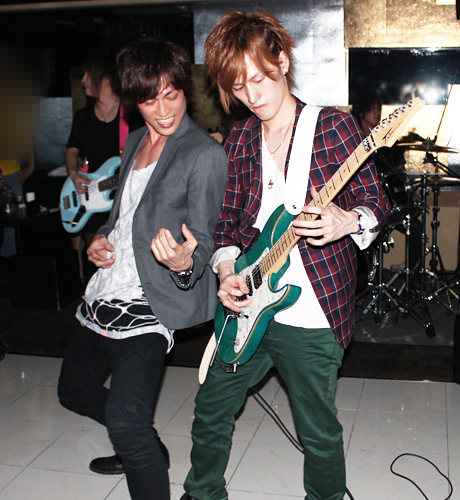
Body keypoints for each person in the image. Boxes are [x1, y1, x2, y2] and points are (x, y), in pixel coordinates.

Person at [181, 11, 390, 500]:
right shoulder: (240, 139)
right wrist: (227, 271)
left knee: (318, 431)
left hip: (313, 313)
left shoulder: (332, 126)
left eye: (259, 78)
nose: (252, 96)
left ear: (282, 61)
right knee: (210, 408)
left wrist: (346, 220)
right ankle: (203, 492)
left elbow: (376, 203)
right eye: (239, 86)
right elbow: (228, 222)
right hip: (250, 302)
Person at [57, 38, 228, 500]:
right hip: (105, 289)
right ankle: (146, 445)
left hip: (152, 299)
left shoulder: (203, 153)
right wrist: (99, 240)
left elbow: (206, 240)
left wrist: (184, 262)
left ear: (184, 90)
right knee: (73, 392)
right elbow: (120, 216)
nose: (163, 110)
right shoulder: (133, 141)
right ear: (135, 101)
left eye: (171, 95)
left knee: (126, 422)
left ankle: (137, 446)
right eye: (150, 101)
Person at [65, 50, 144, 279]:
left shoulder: (131, 116)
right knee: (97, 261)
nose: (83, 80)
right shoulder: (83, 117)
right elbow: (71, 150)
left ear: (105, 78)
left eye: (87, 74)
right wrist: (73, 174)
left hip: (125, 199)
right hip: (93, 198)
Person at [352, 91, 423, 272]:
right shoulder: (353, 141)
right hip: (362, 205)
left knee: (416, 227)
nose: (377, 113)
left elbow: (398, 169)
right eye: (373, 109)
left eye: (379, 108)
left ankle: (412, 273)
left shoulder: (386, 141)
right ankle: (367, 272)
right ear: (362, 112)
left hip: (388, 203)